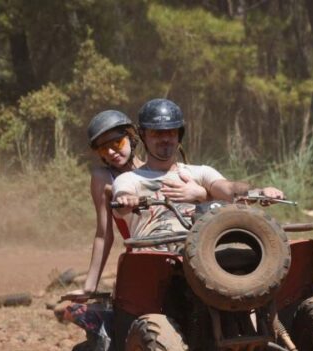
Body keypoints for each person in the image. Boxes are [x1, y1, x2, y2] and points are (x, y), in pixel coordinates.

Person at [69, 110, 208, 297]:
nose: (111, 152)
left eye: (117, 143)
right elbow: (103, 234)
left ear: (133, 137)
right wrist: (90, 286)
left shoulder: (155, 170)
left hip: (182, 249)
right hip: (142, 256)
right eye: (103, 149)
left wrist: (203, 194)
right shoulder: (103, 178)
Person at [113, 98, 283, 238]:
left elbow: (229, 189)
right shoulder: (129, 179)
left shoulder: (200, 173)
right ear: (143, 135)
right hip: (153, 257)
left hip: (204, 254)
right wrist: (127, 200)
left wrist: (259, 192)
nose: (165, 139)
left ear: (179, 135)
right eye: (157, 133)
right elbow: (122, 198)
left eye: (171, 132)